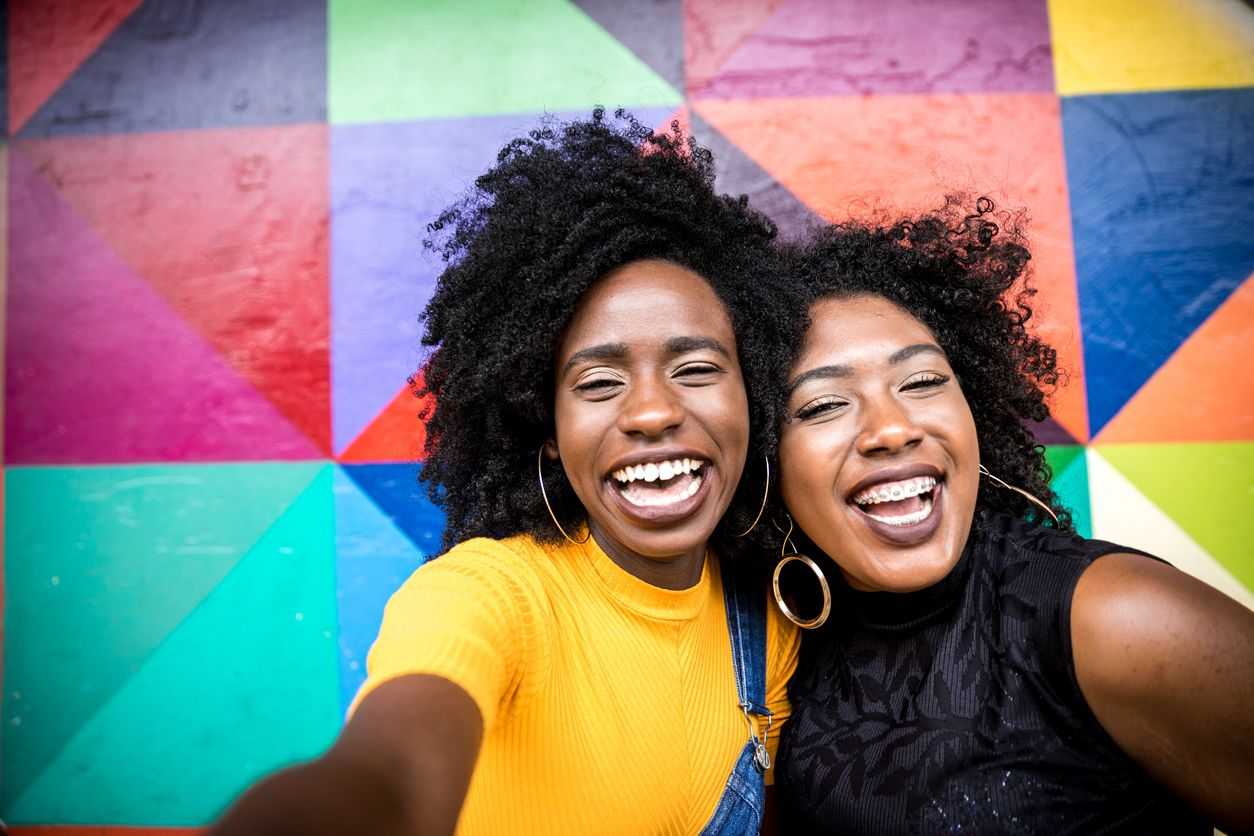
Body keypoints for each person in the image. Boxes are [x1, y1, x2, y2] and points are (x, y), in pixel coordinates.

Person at [209, 110, 803, 836]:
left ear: (753, 396)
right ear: (545, 430)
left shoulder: (766, 626)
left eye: (698, 369)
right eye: (598, 382)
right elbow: (388, 774)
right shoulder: (488, 595)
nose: (652, 411)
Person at [766, 201, 1254, 835]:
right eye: (824, 405)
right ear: (764, 453)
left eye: (922, 382)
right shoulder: (772, 639)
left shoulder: (1115, 616)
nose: (892, 428)